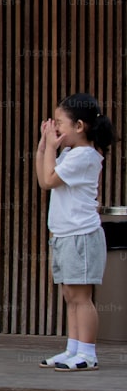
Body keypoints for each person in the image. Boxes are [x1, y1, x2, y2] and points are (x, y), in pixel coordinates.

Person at [35, 93, 115, 371]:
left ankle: (88, 354)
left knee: (81, 297)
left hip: (81, 236)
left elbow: (48, 180)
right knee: (70, 295)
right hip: (65, 235)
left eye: (60, 123)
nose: (55, 128)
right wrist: (45, 147)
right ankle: (73, 350)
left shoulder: (84, 155)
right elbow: (43, 176)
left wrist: (48, 148)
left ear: (79, 126)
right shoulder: (70, 153)